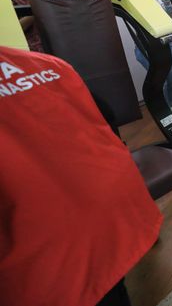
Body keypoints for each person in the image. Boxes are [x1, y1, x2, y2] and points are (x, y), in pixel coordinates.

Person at [0, 45, 163, 306]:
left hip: (52, 255)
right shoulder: (50, 66)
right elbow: (107, 121)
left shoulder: (52, 66)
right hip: (104, 220)